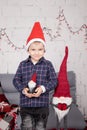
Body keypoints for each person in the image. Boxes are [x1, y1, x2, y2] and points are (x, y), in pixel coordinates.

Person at [13, 21, 57, 130]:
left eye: (40, 50)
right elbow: (16, 80)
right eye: (33, 50)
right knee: (27, 126)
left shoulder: (48, 64)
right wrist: (23, 90)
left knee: (40, 127)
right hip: (26, 105)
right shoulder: (23, 64)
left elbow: (54, 81)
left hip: (42, 105)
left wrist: (42, 88)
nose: (37, 52)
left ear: (44, 50)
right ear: (28, 50)